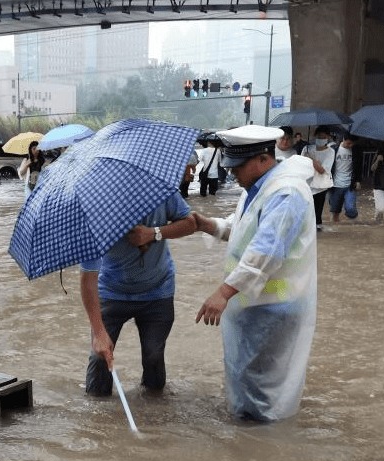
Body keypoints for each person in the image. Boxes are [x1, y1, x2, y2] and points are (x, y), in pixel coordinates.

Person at [193, 125, 317, 422]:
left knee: (265, 386)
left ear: (262, 158)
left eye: (238, 166)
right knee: (247, 376)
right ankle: (247, 435)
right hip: (253, 304)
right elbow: (245, 229)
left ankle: (260, 445)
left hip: (274, 307)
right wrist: (208, 224)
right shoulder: (259, 186)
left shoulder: (286, 192)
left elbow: (267, 251)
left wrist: (223, 292)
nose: (232, 173)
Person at [80, 184, 197, 397]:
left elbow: (191, 223)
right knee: (100, 357)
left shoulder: (162, 190)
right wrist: (98, 332)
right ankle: (95, 415)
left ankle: (154, 411)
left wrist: (155, 233)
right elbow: (88, 279)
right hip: (112, 292)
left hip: (158, 290)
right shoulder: (94, 212)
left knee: (153, 355)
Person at [302, 126, 335, 231]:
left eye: (324, 137)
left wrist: (311, 158)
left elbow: (321, 170)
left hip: (321, 185)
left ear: (328, 138)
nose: (321, 138)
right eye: (320, 136)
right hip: (307, 183)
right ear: (315, 136)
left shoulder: (330, 152)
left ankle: (317, 228)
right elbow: (301, 166)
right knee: (307, 209)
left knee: (318, 210)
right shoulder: (307, 148)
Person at [329, 134, 363, 222]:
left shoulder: (357, 151)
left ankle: (353, 224)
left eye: (352, 144)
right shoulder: (333, 150)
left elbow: (359, 167)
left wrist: (358, 181)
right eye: (348, 143)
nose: (350, 146)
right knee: (335, 211)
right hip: (335, 184)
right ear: (343, 140)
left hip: (350, 185)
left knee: (350, 209)